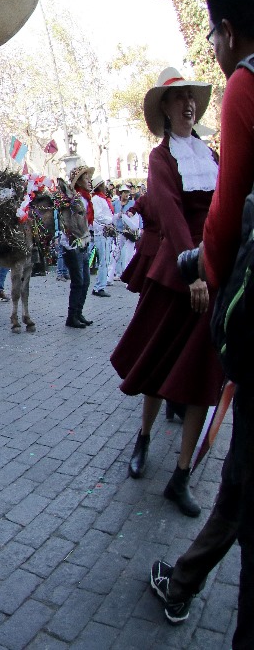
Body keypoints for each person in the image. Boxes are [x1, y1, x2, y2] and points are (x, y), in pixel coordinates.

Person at [151, 0, 254, 633]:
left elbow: (225, 206)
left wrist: (210, 272)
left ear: (224, 31)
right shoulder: (166, 154)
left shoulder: (248, 81)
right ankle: (185, 576)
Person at [110, 67, 220, 518]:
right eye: (178, 99)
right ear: (165, 108)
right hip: (180, 270)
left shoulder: (210, 154)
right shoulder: (161, 158)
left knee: (201, 375)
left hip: (214, 270)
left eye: (192, 98)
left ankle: (181, 475)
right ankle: (145, 436)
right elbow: (172, 214)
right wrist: (193, 271)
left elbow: (223, 207)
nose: (188, 104)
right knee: (156, 361)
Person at [60, 166, 94, 328]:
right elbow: (70, 223)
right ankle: (71, 316)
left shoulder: (86, 199)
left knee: (85, 281)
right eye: (86, 178)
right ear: (79, 182)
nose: (89, 181)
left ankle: (78, 312)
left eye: (89, 178)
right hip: (73, 244)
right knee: (78, 281)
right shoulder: (71, 201)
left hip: (84, 243)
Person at [91, 180, 116, 295]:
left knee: (105, 259)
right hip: (101, 232)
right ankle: (99, 286)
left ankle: (101, 284)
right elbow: (98, 215)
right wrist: (110, 220)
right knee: (103, 260)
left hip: (104, 232)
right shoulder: (97, 199)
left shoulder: (101, 199)